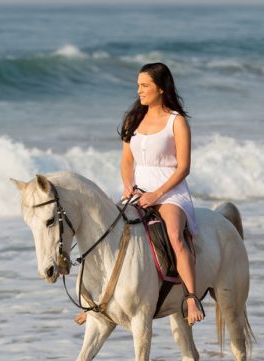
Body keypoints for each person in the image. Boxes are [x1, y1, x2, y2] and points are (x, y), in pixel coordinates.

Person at [75, 62, 203, 327]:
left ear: (160, 88)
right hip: (137, 191)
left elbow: (184, 168)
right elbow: (126, 161)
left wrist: (156, 195)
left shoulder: (176, 122)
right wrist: (127, 185)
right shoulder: (133, 119)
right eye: (138, 85)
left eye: (145, 85)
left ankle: (191, 297)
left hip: (168, 192)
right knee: (107, 231)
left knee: (174, 236)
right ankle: (95, 301)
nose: (139, 90)